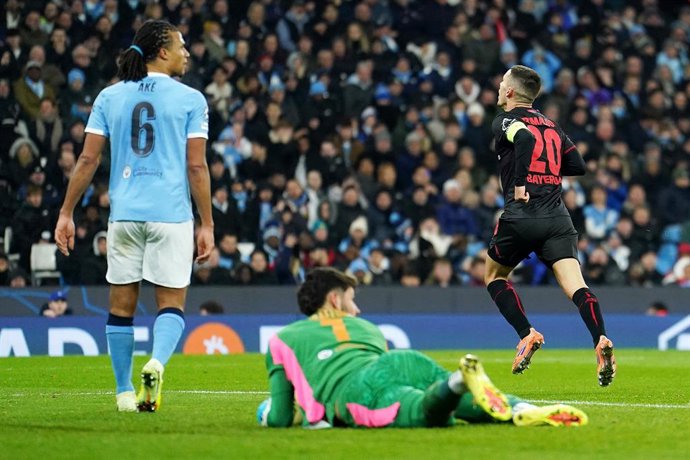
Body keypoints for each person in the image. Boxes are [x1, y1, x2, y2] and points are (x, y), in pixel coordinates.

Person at [54, 20, 214, 413]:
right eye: (181, 45)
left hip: (124, 215)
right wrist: (206, 222)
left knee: (120, 307)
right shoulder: (191, 99)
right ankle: (156, 363)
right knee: (171, 303)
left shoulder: (110, 96)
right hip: (171, 215)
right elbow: (196, 168)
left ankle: (124, 393)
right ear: (162, 51)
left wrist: (66, 212)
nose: (187, 53)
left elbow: (88, 159)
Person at [257, 267, 587, 428]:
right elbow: (382, 368)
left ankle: (458, 380)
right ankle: (520, 408)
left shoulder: (282, 340)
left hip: (356, 389)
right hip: (402, 361)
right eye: (352, 300)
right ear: (334, 299)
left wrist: (266, 412)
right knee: (469, 403)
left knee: (420, 410)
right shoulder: (367, 329)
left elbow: (282, 416)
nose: (356, 310)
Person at [485, 65, 616, 386]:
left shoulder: (505, 120)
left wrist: (520, 184)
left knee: (493, 276)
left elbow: (525, 138)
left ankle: (526, 333)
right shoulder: (552, 126)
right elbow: (577, 165)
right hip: (557, 217)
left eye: (503, 83)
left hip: (522, 215)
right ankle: (600, 339)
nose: (500, 87)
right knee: (577, 286)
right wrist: (548, 174)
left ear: (512, 92)